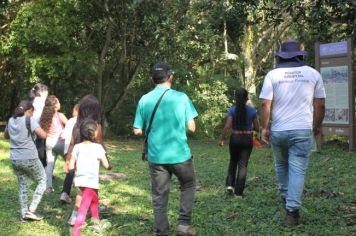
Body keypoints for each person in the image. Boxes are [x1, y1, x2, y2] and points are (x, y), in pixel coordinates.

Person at [259, 40, 326, 227]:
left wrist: (265, 127)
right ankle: (292, 212)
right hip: (302, 129)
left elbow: (265, 104)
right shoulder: (313, 74)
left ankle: (286, 198)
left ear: (281, 57)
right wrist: (317, 126)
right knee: (297, 169)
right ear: (300, 55)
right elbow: (319, 104)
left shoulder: (272, 75)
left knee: (281, 166)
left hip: (279, 130)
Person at [133, 63, 198, 236]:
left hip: (156, 157)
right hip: (180, 155)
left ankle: (162, 232)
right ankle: (184, 224)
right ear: (171, 77)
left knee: (159, 195)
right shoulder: (182, 97)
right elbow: (192, 127)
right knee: (188, 185)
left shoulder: (144, 99)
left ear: (151, 79)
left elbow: (137, 130)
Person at [63, 95, 104, 224]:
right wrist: (104, 158)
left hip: (79, 163)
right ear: (95, 109)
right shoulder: (96, 126)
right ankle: (92, 215)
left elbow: (71, 143)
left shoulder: (77, 125)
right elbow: (99, 144)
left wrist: (68, 160)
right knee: (93, 188)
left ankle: (81, 214)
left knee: (81, 190)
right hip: (92, 165)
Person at [5, 99, 47, 221]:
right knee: (42, 180)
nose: (33, 114)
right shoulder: (29, 120)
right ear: (29, 111)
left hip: (15, 158)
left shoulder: (11, 120)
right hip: (29, 157)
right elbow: (43, 135)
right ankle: (31, 210)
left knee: (23, 185)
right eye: (32, 112)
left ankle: (24, 214)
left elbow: (6, 136)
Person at [69, 119, 112, 236]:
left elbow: (71, 165)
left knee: (94, 202)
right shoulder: (98, 147)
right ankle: (76, 232)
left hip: (80, 181)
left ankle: (96, 224)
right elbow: (106, 165)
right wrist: (109, 166)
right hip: (91, 182)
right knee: (83, 208)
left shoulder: (77, 147)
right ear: (95, 133)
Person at [219, 88, 259, 197]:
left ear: (235, 98)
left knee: (233, 160)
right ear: (247, 98)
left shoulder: (232, 110)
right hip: (247, 139)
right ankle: (238, 193)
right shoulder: (252, 111)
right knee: (243, 165)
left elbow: (227, 126)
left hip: (235, 138)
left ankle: (229, 185)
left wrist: (222, 138)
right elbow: (257, 127)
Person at [40, 95, 68, 193]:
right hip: (60, 142)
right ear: (55, 105)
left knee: (50, 165)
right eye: (58, 102)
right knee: (70, 162)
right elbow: (70, 127)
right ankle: (74, 181)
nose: (60, 103)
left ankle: (48, 188)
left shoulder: (44, 117)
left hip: (49, 142)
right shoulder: (60, 115)